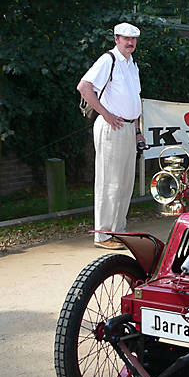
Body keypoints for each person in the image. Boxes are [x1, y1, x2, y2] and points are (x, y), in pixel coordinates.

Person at [77, 23, 146, 250]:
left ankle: (118, 231)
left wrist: (137, 131)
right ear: (116, 39)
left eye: (133, 39)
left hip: (127, 128)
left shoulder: (132, 64)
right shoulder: (109, 60)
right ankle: (103, 234)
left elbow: (134, 101)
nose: (130, 43)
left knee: (125, 183)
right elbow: (84, 86)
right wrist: (105, 114)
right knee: (110, 182)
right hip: (112, 127)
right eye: (126, 39)